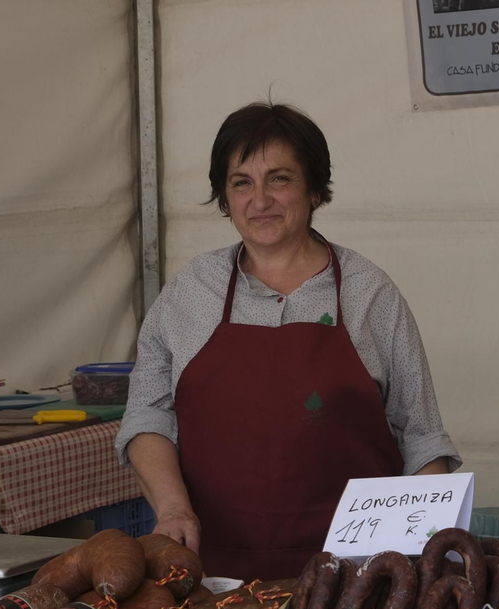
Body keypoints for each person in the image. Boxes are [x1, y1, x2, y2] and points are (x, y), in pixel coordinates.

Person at [116, 102, 459, 579]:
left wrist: (424, 556)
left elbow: (420, 438)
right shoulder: (190, 292)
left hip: (355, 579)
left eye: (279, 179)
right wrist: (173, 508)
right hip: (212, 578)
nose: (260, 200)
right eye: (242, 182)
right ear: (224, 197)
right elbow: (148, 414)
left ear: (314, 188)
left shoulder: (369, 293)